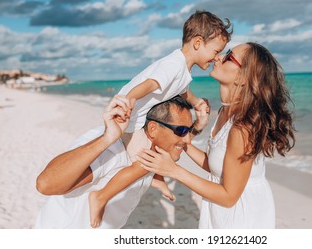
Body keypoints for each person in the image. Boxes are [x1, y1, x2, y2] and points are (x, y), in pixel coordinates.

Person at [87, 10, 232, 227]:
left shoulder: (182, 69)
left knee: (157, 151)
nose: (216, 57)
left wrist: (196, 103)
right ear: (198, 42)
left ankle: (158, 178)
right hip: (131, 119)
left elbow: (183, 91)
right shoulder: (173, 65)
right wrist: (129, 100)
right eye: (216, 51)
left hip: (140, 119)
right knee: (143, 163)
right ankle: (100, 196)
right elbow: (151, 83)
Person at [138, 42, 296, 228]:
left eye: (229, 57)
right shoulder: (225, 111)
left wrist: (173, 170)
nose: (219, 57)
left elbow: (229, 196)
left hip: (241, 215)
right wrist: (185, 143)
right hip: (223, 209)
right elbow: (216, 165)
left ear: (244, 78)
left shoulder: (242, 128)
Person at [35, 95, 196, 228]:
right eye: (181, 131)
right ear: (153, 128)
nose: (188, 139)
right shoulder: (111, 150)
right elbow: (45, 185)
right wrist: (107, 139)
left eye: (190, 130)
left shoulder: (151, 154)